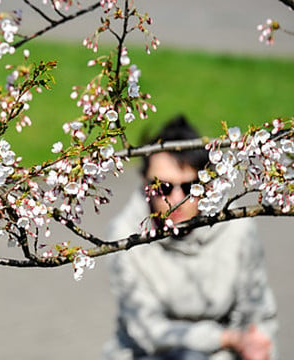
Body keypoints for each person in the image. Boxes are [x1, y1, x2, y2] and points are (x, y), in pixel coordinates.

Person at [102, 115, 278, 360]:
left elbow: (256, 313)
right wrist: (225, 337)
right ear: (145, 184)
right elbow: (146, 329)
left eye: (189, 187)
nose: (176, 200)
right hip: (145, 352)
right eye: (163, 187)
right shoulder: (124, 237)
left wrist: (253, 344)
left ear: (207, 185)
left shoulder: (238, 230)